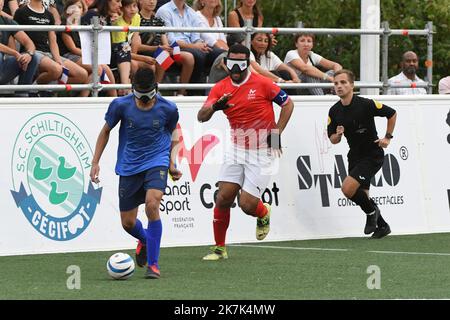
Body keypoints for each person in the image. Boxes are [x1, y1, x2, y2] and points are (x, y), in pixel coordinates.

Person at [197, 44, 294, 260]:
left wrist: (276, 135)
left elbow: (288, 104)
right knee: (223, 198)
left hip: (262, 151)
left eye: (241, 63)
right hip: (237, 148)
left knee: (247, 205)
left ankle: (263, 212)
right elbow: (201, 117)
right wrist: (214, 107)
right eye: (232, 62)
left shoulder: (263, 83)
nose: (236, 67)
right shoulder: (220, 87)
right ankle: (219, 248)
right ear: (226, 63)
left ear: (248, 63)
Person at [90, 68, 182, 279]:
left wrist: (172, 162)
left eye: (147, 93)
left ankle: (154, 265)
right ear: (133, 89)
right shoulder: (120, 105)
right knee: (128, 223)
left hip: (156, 161)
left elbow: (174, 134)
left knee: (152, 204)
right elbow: (105, 131)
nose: (144, 99)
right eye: (139, 93)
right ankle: (144, 239)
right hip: (129, 166)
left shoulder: (168, 108)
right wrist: (95, 162)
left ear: (155, 88)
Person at [327, 69, 397, 239]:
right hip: (354, 155)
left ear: (352, 85)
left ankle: (372, 212)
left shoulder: (365, 104)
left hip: (372, 154)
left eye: (343, 82)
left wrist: (387, 137)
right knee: (362, 197)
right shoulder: (334, 111)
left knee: (347, 188)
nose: (339, 86)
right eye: (336, 83)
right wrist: (338, 134)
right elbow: (333, 140)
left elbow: (392, 113)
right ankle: (382, 225)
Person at [14, 0, 89, 96]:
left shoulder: (49, 14)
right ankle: (33, 91)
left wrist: (58, 60)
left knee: (81, 74)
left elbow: (52, 41)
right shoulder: (21, 12)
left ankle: (45, 89)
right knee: (56, 70)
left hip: (48, 53)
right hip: (32, 53)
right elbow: (13, 36)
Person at [156, 0, 225, 94]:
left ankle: (216, 92)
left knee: (220, 54)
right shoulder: (164, 10)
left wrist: (200, 44)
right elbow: (171, 40)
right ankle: (190, 92)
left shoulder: (191, 12)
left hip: (191, 46)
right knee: (198, 55)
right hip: (174, 48)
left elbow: (196, 36)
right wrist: (195, 46)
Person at [59, 0, 117, 96]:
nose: (77, 10)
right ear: (68, 10)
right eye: (74, 7)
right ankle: (83, 98)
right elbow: (72, 48)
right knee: (98, 68)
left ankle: (114, 97)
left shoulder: (81, 26)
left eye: (80, 7)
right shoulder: (65, 25)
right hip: (69, 56)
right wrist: (89, 54)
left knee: (105, 67)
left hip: (80, 55)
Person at [0, 4, 39, 95]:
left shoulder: (6, 21)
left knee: (33, 57)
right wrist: (15, 53)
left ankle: (22, 96)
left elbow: (29, 42)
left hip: (2, 68)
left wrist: (29, 54)